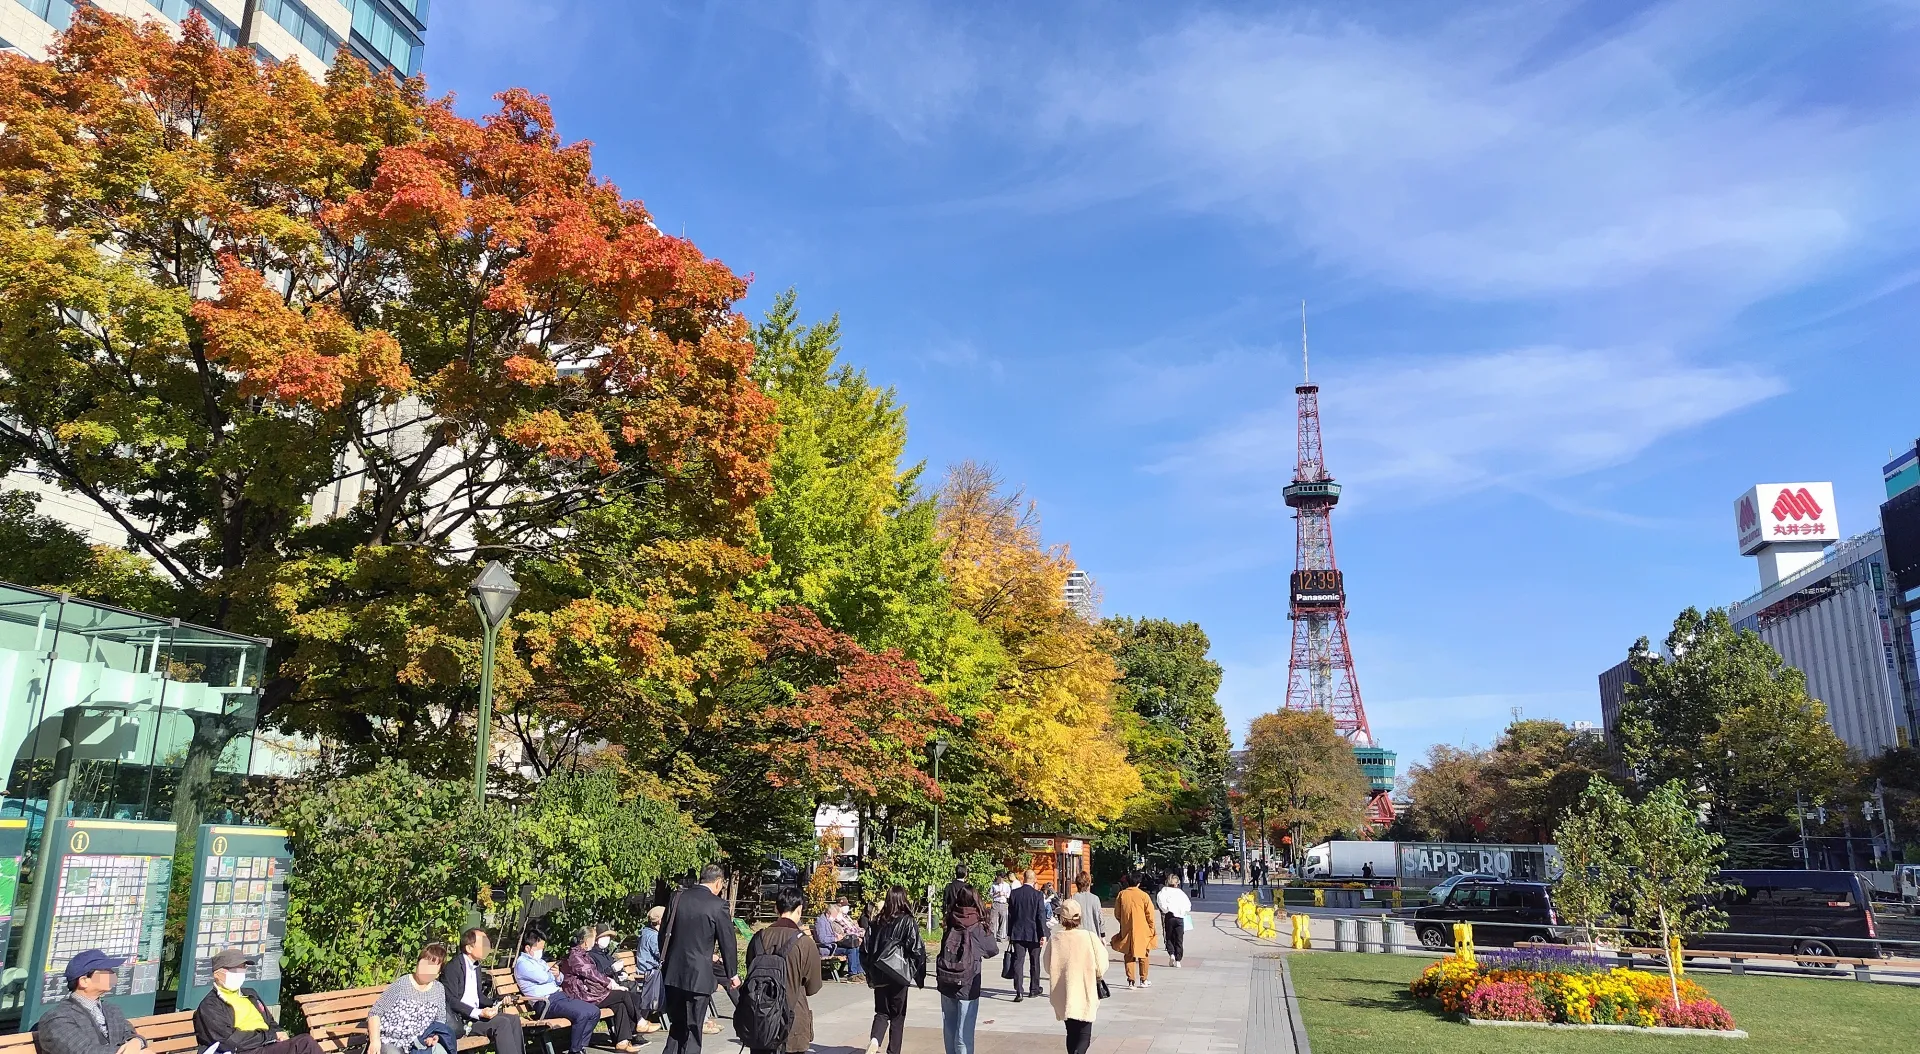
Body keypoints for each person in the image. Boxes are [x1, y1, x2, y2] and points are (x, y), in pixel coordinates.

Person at [659, 865, 739, 1054]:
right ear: (719, 882)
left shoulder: (677, 898)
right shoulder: (718, 905)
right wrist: (732, 973)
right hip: (699, 976)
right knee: (694, 1029)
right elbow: (728, 943)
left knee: (677, 1026)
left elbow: (663, 934)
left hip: (673, 973)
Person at [737, 888, 822, 1054]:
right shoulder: (805, 943)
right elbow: (814, 987)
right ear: (800, 909)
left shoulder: (758, 938)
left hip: (760, 1020)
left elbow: (751, 973)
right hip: (793, 1023)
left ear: (776, 909)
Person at [194, 948, 321, 1054]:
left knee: (303, 1044)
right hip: (245, 1051)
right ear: (217, 973)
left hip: (266, 1046)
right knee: (304, 1044)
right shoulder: (210, 1006)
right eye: (234, 969)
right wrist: (270, 1037)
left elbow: (270, 1023)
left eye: (242, 968)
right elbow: (231, 1041)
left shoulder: (250, 994)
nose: (240, 973)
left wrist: (279, 1033)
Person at [35, 949, 148, 1054]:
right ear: (84, 981)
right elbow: (84, 1051)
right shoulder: (56, 1018)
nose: (113, 975)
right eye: (105, 971)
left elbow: (130, 1034)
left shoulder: (112, 1010)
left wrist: (137, 1042)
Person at [859, 887, 925, 1054]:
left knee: (881, 1012)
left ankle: (874, 1041)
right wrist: (918, 974)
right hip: (898, 974)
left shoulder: (876, 922)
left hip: (879, 974)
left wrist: (870, 973)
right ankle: (893, 1051)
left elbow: (864, 950)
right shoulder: (907, 921)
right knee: (897, 1016)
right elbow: (917, 950)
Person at [934, 885, 997, 1054]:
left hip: (947, 978)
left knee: (949, 1026)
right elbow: (992, 949)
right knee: (964, 1031)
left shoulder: (950, 919)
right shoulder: (977, 925)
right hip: (968, 982)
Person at [513, 933, 600, 1054]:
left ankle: (580, 1047)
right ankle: (575, 1051)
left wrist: (557, 974)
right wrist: (550, 974)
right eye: (539, 948)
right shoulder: (522, 964)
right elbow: (543, 977)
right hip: (545, 1003)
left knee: (594, 1011)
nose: (541, 951)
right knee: (582, 1014)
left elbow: (559, 979)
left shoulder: (539, 962)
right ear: (528, 948)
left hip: (559, 997)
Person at [440, 929, 525, 1054]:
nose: (488, 947)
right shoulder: (453, 967)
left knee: (513, 1019)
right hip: (462, 1020)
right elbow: (451, 1000)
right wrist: (478, 1013)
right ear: (469, 948)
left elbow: (479, 997)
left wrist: (498, 1001)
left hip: (476, 1016)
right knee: (502, 1023)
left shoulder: (476, 966)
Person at [561, 926, 641, 1052]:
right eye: (593, 938)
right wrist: (608, 982)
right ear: (587, 940)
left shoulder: (583, 954)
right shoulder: (576, 956)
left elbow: (593, 973)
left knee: (619, 1004)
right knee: (623, 995)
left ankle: (622, 1041)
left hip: (589, 991)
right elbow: (591, 973)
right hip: (581, 995)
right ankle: (640, 1022)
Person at [367, 944, 458, 1054]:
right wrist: (375, 1041)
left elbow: (440, 1019)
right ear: (417, 963)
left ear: (438, 973)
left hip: (419, 1043)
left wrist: (434, 1036)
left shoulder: (438, 989)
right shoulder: (402, 984)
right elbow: (375, 1013)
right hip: (391, 1041)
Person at [1046, 900, 1110, 1054]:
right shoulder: (1089, 937)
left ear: (1062, 918)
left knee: (1071, 1033)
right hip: (1084, 989)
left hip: (1064, 992)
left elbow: (1048, 965)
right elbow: (1102, 964)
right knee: (1084, 1034)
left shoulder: (1055, 939)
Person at [590, 927, 660, 1035]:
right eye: (604, 937)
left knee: (642, 999)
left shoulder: (606, 954)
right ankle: (638, 1026)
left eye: (608, 937)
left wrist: (621, 973)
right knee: (626, 998)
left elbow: (612, 969)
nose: (607, 939)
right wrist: (612, 970)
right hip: (604, 989)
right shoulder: (591, 956)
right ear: (596, 939)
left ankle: (634, 1033)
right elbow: (597, 976)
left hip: (616, 984)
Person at [1110, 875, 1159, 990]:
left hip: (1127, 928)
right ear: (1139, 883)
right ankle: (1143, 979)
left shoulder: (1122, 895)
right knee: (1144, 954)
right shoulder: (1144, 896)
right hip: (1142, 929)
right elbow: (1150, 914)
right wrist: (1152, 928)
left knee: (1129, 954)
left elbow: (1117, 913)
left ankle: (1131, 981)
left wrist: (1123, 922)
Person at [1005, 871, 1047, 1002]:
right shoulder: (1038, 895)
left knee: (1018, 961)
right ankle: (1034, 989)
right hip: (1034, 933)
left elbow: (1010, 915)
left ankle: (1019, 991)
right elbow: (1041, 916)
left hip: (1017, 933)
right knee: (1035, 962)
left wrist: (1009, 933)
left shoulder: (1014, 894)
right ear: (1034, 880)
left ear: (1023, 879)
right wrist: (1043, 934)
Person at [1155, 874, 1192, 969]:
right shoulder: (1180, 893)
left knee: (1169, 937)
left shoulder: (1163, 892)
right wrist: (1183, 911)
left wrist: (1165, 910)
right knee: (1179, 939)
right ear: (1177, 883)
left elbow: (1160, 903)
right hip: (1180, 918)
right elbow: (1188, 905)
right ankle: (1178, 960)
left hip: (1169, 916)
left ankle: (1171, 953)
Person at [1068, 874, 1105, 942]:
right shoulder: (1095, 899)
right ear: (1088, 884)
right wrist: (1102, 935)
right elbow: (1100, 918)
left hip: (1077, 936)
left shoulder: (1073, 899)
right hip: (1093, 936)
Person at [987, 872, 1014, 942]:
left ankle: (999, 936)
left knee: (1002, 920)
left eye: (1002, 878)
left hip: (1003, 904)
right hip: (996, 903)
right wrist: (997, 893)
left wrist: (1004, 894)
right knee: (992, 920)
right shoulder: (994, 885)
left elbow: (1009, 895)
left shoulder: (1007, 885)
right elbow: (990, 894)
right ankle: (991, 936)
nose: (1000, 879)